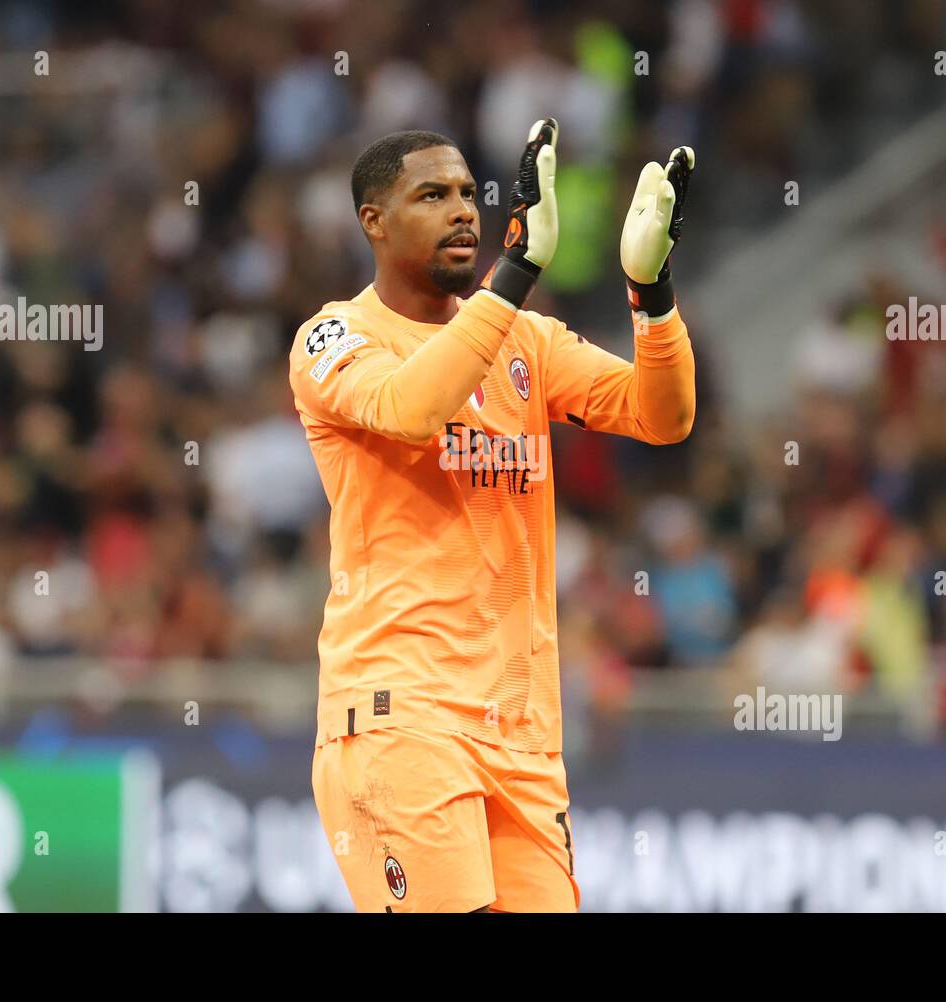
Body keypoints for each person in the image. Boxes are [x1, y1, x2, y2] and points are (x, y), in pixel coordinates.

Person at [288, 119, 697, 911]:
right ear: (373, 220)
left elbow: (663, 415)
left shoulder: (528, 343)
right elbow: (409, 408)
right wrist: (516, 270)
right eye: (432, 195)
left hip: (522, 736)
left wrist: (652, 292)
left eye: (471, 194)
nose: (463, 211)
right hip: (399, 713)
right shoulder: (335, 336)